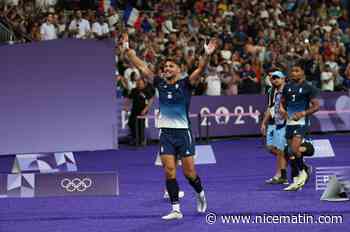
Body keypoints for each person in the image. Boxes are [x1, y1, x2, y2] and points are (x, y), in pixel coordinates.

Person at [122, 33, 217, 220]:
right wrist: (127, 49)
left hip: (184, 135)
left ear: (179, 70)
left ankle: (200, 194)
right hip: (166, 135)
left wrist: (207, 54)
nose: (166, 68)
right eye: (164, 66)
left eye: (170, 66)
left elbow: (201, 68)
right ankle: (176, 209)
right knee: (169, 171)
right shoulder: (159, 84)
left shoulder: (186, 84)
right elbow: (141, 65)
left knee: (190, 174)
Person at [280, 60, 320, 191]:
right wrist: (282, 110)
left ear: (303, 72)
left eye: (297, 71)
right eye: (292, 71)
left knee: (294, 149)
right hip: (290, 123)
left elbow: (316, 106)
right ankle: (302, 173)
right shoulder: (287, 87)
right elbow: (282, 102)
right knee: (290, 151)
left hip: (302, 122)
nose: (293, 73)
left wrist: (303, 112)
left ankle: (302, 172)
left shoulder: (309, 87)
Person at [261, 71, 288, 185]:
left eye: (277, 78)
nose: (275, 80)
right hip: (272, 122)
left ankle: (280, 175)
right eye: (273, 78)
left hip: (283, 123)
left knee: (280, 150)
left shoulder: (288, 91)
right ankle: (296, 161)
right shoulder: (271, 91)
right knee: (270, 147)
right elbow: (270, 108)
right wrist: (263, 123)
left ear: (283, 79)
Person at [125, 77, 155, 146]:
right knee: (131, 123)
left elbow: (150, 101)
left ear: (143, 84)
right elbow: (129, 99)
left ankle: (141, 140)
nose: (138, 84)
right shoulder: (134, 90)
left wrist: (145, 109)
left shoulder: (147, 90)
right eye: (137, 83)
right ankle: (135, 138)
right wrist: (126, 106)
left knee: (140, 125)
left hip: (142, 110)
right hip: (134, 109)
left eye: (140, 83)